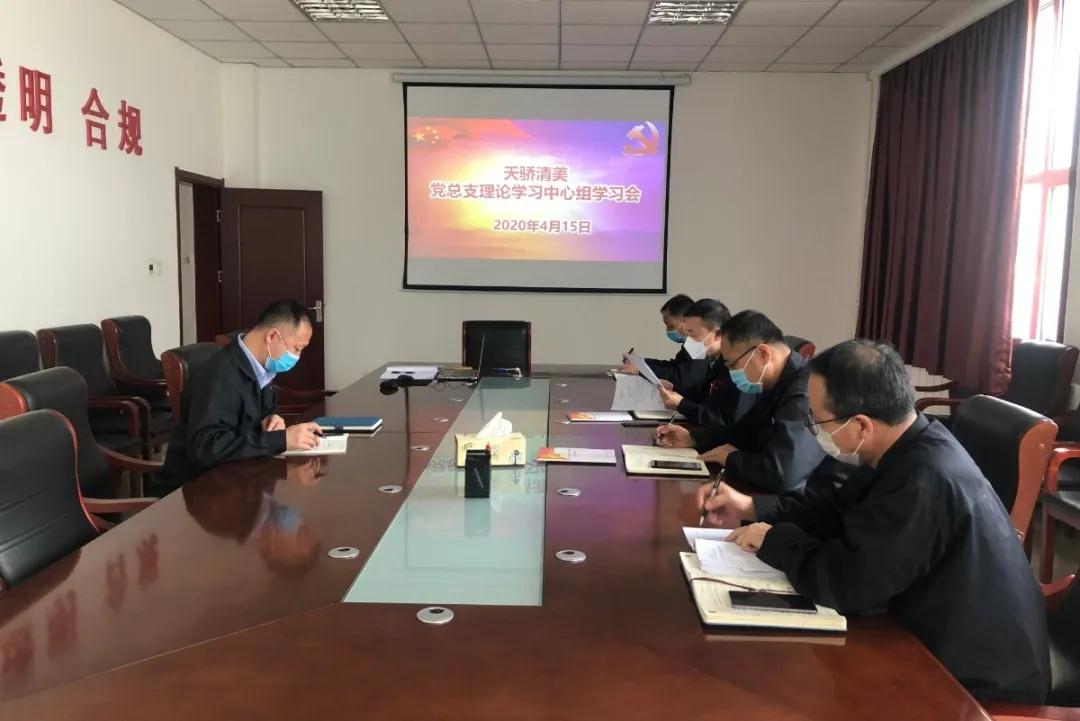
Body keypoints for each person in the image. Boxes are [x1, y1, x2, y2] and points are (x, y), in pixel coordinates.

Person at [697, 339, 1050, 705]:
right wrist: (755, 509)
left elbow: (849, 584)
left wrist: (776, 541)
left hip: (972, 686)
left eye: (816, 420)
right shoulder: (908, 444)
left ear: (862, 425)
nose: (813, 429)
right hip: (923, 636)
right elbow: (835, 511)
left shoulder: (923, 480)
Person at [160, 299, 323, 488]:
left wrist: (270, 419)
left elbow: (254, 416)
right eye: (297, 348)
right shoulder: (219, 375)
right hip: (200, 490)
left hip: (240, 478)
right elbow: (206, 448)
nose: (297, 357)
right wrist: (281, 440)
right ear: (271, 336)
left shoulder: (260, 366)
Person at [657, 310, 824, 493]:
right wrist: (693, 438)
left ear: (763, 354)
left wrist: (732, 458)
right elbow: (746, 428)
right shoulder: (775, 380)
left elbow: (784, 474)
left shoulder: (806, 390)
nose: (731, 373)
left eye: (733, 365)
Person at [656, 298, 746, 427]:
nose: (689, 341)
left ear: (718, 334)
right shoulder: (715, 361)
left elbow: (725, 421)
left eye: (692, 334)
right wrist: (674, 389)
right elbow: (705, 399)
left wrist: (681, 404)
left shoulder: (738, 368)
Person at [617, 294, 704, 383]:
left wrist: (640, 370)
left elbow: (678, 377)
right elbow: (672, 366)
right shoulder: (691, 344)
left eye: (671, 325)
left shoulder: (700, 346)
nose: (668, 330)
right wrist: (640, 362)